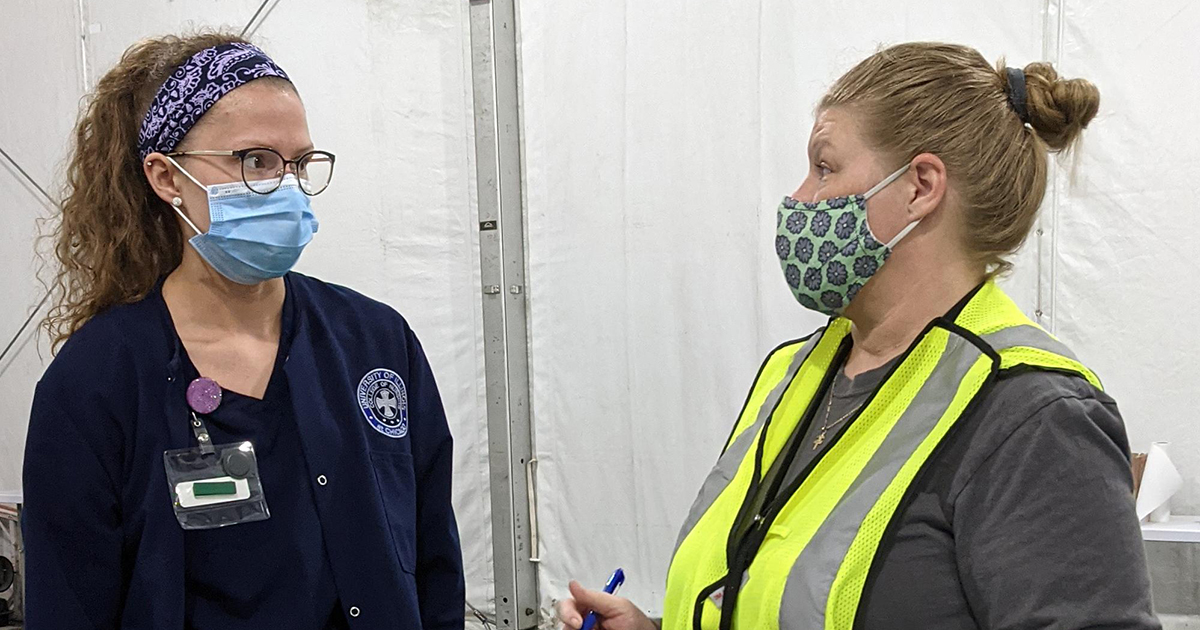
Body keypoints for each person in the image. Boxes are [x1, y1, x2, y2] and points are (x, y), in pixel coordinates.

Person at [558, 42, 1159, 630]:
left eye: (825, 166)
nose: (798, 198)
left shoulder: (1034, 418)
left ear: (921, 186)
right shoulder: (798, 371)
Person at [22, 32, 464, 629]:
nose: (284, 186)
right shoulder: (96, 380)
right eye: (255, 161)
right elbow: (70, 605)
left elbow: (434, 562)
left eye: (300, 163)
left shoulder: (376, 344)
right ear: (167, 178)